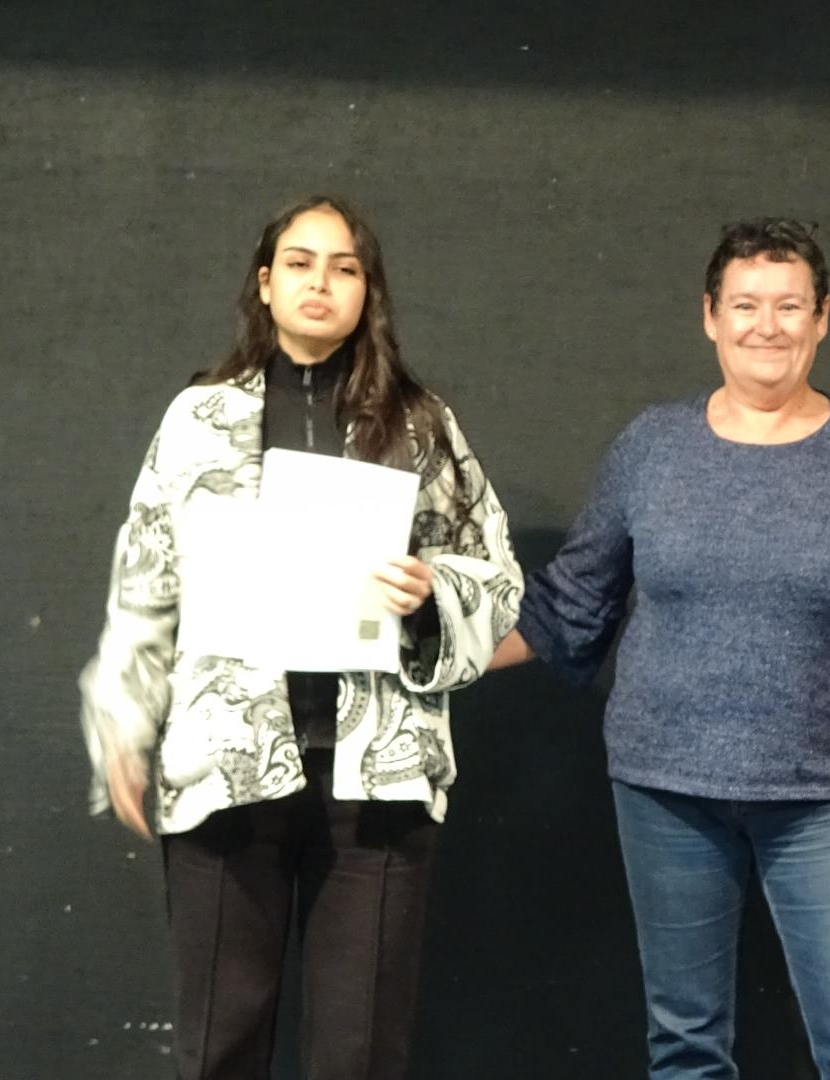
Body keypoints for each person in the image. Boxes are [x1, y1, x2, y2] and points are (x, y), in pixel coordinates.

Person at [487, 218, 830, 1079]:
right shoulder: (652, 447)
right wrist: (432, 655)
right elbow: (571, 604)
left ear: (823, 317)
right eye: (745, 305)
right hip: (665, 791)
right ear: (709, 316)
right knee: (686, 1044)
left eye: (789, 306)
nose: (766, 326)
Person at [78, 194, 521, 1079]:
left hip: (377, 779)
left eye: (345, 267)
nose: (321, 282)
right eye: (301, 262)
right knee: (220, 1043)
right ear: (265, 282)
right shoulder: (197, 419)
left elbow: (495, 573)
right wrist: (124, 727)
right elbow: (145, 584)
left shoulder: (419, 423)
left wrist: (431, 591)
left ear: (369, 291)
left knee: (360, 1052)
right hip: (227, 769)